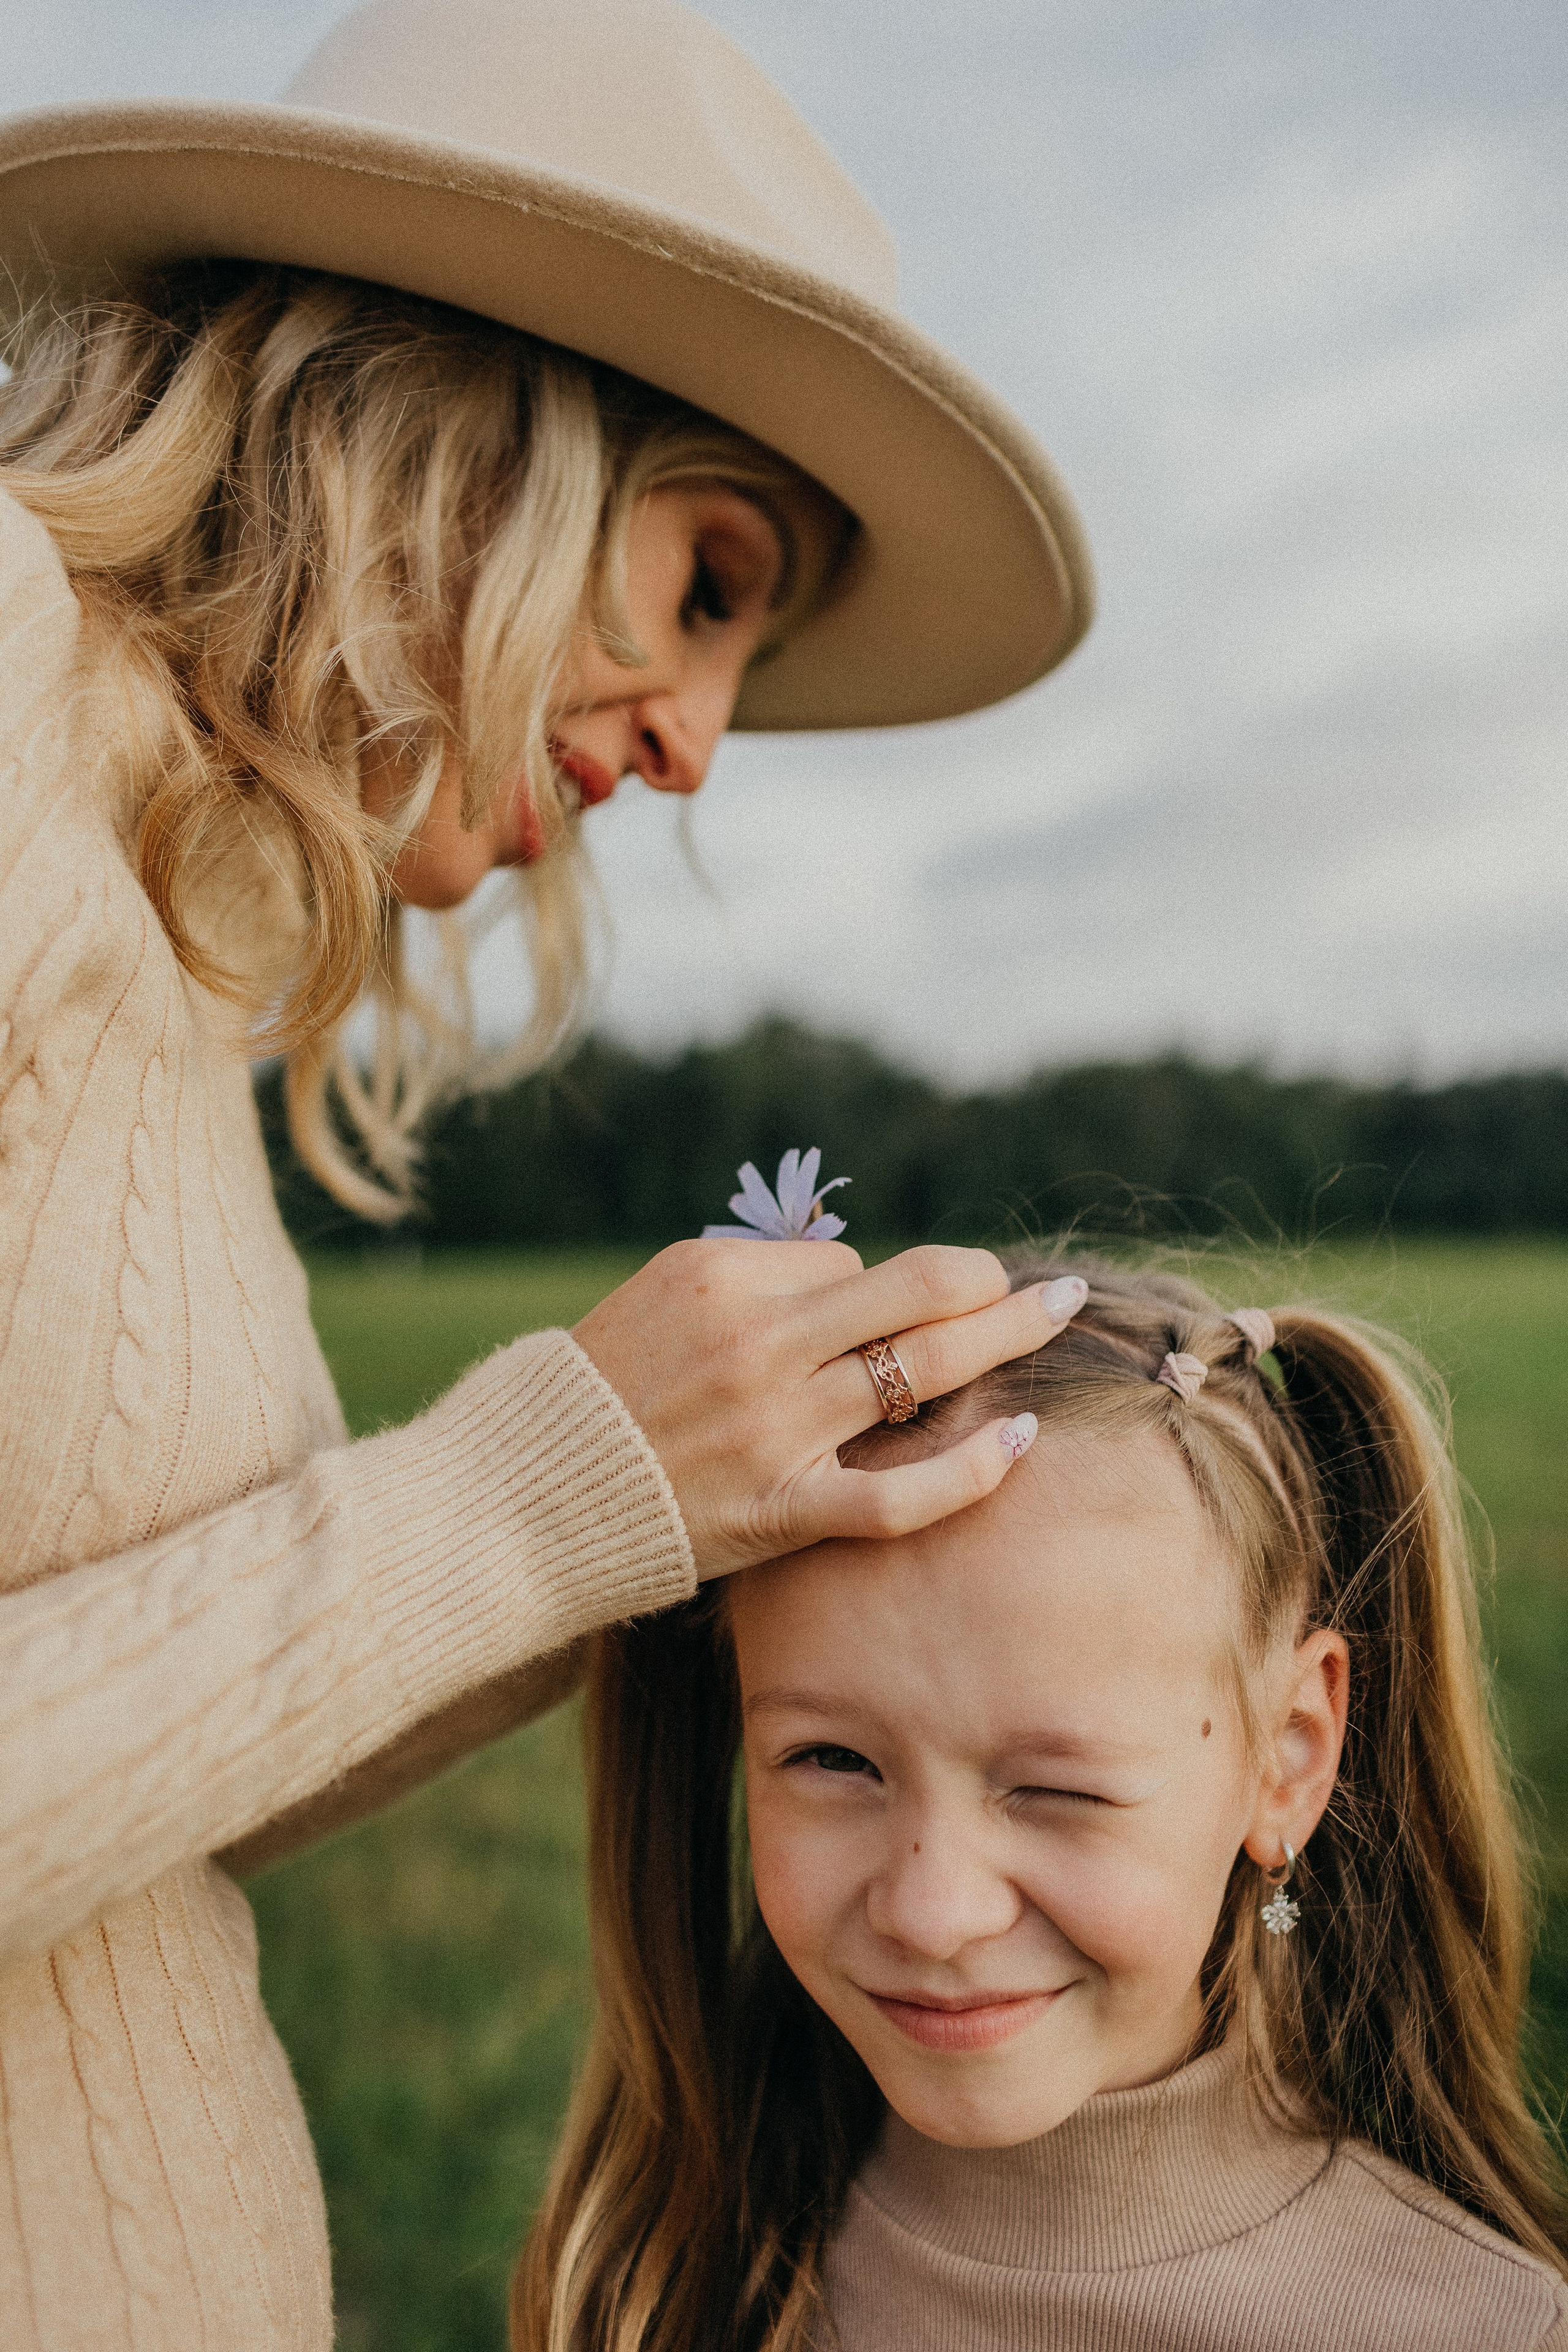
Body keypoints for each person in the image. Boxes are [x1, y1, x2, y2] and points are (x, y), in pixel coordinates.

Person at [0, 1, 1096, 2344]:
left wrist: (660, 1530)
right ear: (457, 413)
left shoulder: (166, 921)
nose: (703, 750)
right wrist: (529, 1493)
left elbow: (143, 1795)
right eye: (710, 587)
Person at [518, 1254, 1568, 2351]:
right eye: (834, 1760)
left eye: (1058, 1788)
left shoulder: (1485, 2328)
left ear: (1290, 1758)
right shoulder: (655, 2280)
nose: (932, 1913)